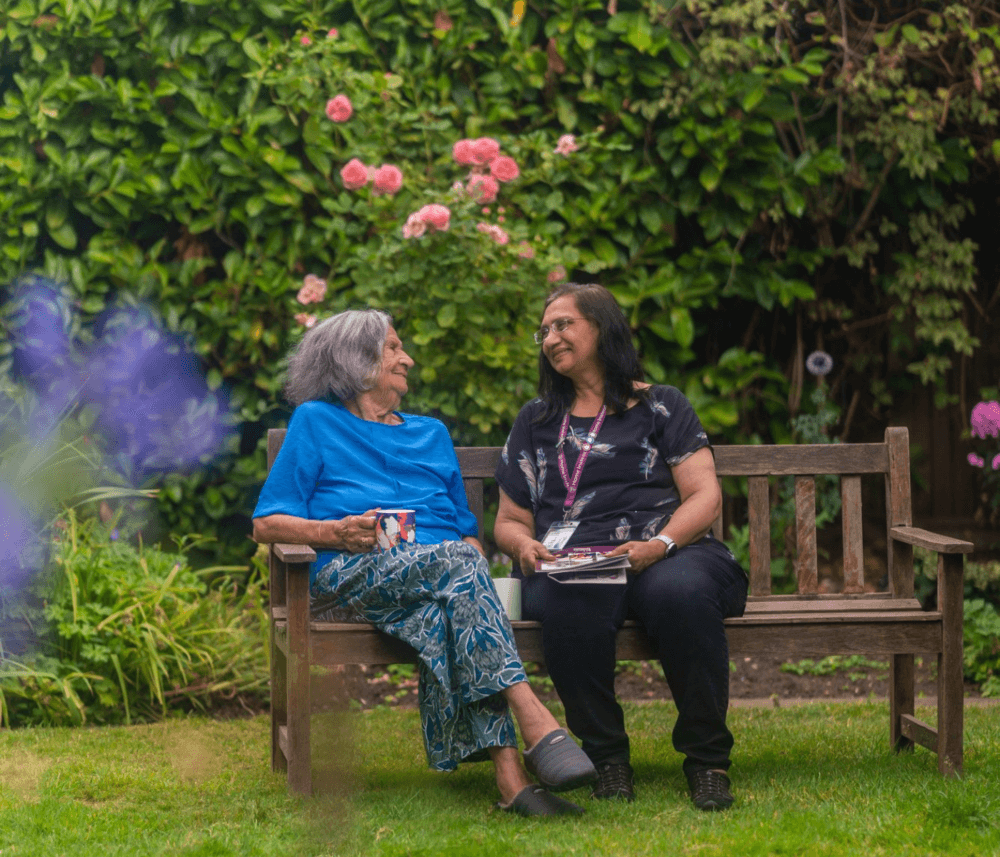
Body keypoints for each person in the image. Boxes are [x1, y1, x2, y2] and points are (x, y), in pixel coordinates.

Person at [252, 309, 597, 816]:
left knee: (452, 604)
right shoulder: (316, 422)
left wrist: (477, 575)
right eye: (393, 348)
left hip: (441, 579)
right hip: (350, 573)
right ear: (355, 359)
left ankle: (511, 781)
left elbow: (465, 532)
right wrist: (334, 533)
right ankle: (535, 719)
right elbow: (266, 522)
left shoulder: (431, 433)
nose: (406, 358)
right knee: (457, 565)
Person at [493, 283, 749, 811]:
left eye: (563, 324)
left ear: (602, 328)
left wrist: (658, 544)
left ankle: (707, 762)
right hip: (573, 562)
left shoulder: (660, 405)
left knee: (680, 595)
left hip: (668, 549)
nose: (550, 337)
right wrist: (525, 546)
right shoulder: (536, 420)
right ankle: (607, 759)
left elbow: (705, 495)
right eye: (544, 330)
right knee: (567, 601)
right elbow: (509, 519)